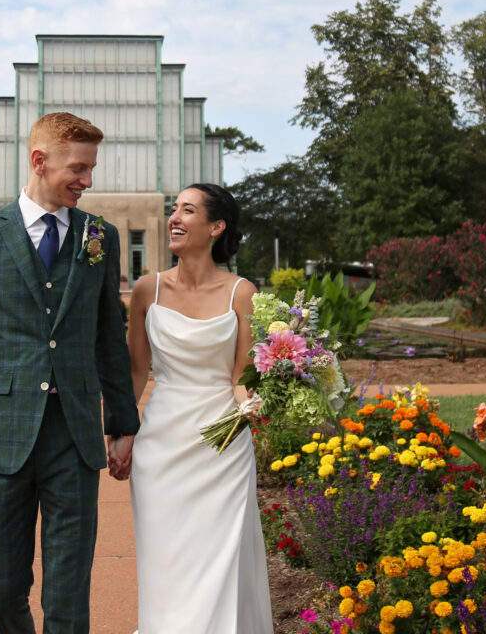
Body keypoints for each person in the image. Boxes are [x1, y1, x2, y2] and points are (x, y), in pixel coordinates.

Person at [0, 111, 141, 634]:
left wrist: (123, 424)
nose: (88, 180)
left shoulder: (100, 236)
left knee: (68, 594)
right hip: (0, 436)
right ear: (39, 161)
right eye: (78, 168)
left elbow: (107, 340)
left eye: (91, 168)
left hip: (74, 437)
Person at [119, 183, 273, 634]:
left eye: (188, 210)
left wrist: (254, 403)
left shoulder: (241, 293)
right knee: (165, 563)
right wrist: (122, 431)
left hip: (222, 447)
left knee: (221, 561)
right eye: (174, 209)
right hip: (161, 448)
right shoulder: (147, 291)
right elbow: (135, 372)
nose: (175, 218)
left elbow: (240, 378)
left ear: (216, 226)